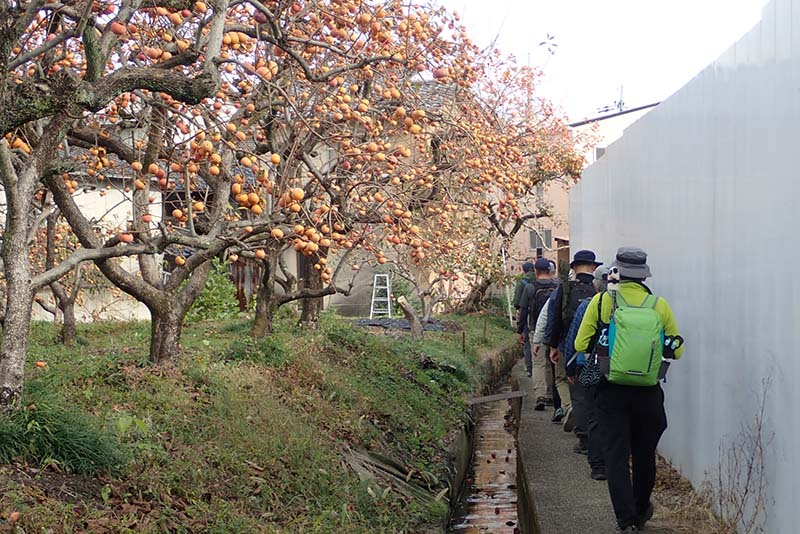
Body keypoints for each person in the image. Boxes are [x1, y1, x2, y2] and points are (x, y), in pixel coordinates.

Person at [574, 247, 684, 532]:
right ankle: (641, 507)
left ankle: (626, 520)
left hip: (611, 389)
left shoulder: (601, 301)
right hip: (648, 391)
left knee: (616, 456)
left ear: (617, 273)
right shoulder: (659, 305)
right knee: (645, 454)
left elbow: (580, 344)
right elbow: (677, 350)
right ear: (644, 275)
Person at [544, 249, 603, 428]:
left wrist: (553, 346)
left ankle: (569, 407)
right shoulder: (599, 290)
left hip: (566, 342)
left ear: (574, 268)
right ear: (593, 267)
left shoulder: (564, 289)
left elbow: (554, 318)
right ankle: (588, 417)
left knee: (562, 378)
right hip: (594, 346)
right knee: (590, 383)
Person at [562, 265, 608, 480]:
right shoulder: (635, 305)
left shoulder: (591, 305)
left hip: (593, 366)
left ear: (596, 285)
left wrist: (569, 366)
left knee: (593, 413)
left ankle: (597, 464)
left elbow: (576, 341)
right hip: (625, 369)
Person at [517, 258, 559, 382]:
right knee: (553, 362)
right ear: (549, 270)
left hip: (535, 329)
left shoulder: (530, 288)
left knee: (538, 364)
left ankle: (541, 392)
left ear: (536, 271)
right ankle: (552, 391)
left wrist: (520, 331)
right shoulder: (557, 287)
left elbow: (523, 311)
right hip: (554, 329)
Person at [513, 261, 536, 373]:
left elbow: (517, 302)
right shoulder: (539, 280)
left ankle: (530, 368)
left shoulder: (522, 283)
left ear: (524, 270)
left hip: (526, 315)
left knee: (526, 341)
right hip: (539, 315)